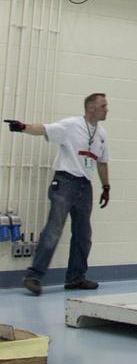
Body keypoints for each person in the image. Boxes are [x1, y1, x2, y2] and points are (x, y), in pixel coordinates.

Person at [5, 92, 111, 296]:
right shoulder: (71, 125)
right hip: (65, 183)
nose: (107, 109)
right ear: (91, 108)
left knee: (83, 234)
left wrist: (106, 187)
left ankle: (75, 278)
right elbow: (44, 129)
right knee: (54, 229)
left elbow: (102, 162)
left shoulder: (101, 134)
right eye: (103, 106)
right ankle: (33, 276)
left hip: (84, 186)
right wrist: (23, 127)